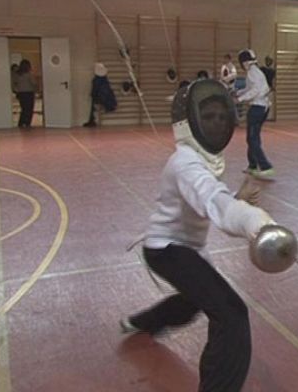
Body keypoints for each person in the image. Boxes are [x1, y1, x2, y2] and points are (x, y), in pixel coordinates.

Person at [121, 78, 276, 392]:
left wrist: (237, 199)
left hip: (185, 248)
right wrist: (255, 221)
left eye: (222, 116)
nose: (217, 122)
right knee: (231, 314)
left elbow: (209, 198)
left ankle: (140, 322)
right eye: (208, 116)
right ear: (188, 121)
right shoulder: (185, 163)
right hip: (167, 249)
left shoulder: (200, 161)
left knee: (193, 300)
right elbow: (212, 200)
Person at [236, 49, 274, 179]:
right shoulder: (254, 71)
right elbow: (250, 88)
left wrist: (240, 99)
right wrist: (238, 92)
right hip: (261, 107)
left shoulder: (253, 72)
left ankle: (266, 167)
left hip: (257, 108)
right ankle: (252, 165)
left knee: (252, 139)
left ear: (245, 62)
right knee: (253, 138)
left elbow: (256, 90)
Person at [83, 63, 117, 127]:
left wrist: (93, 94)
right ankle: (92, 120)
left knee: (94, 107)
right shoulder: (104, 79)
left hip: (99, 95)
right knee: (93, 108)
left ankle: (92, 120)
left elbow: (96, 88)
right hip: (101, 95)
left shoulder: (97, 80)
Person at [13, 59, 37, 128]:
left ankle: (21, 123)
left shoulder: (17, 75)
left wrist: (17, 90)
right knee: (29, 109)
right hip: (29, 93)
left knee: (23, 109)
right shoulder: (29, 74)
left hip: (21, 93)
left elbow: (14, 84)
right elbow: (34, 83)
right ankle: (27, 123)